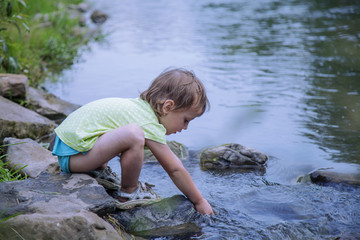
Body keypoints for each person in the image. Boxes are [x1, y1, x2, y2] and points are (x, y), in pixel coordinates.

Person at [51, 67, 214, 215]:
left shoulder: (139, 109)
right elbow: (175, 169)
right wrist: (199, 201)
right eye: (186, 120)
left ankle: (97, 170)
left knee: (126, 133)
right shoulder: (148, 122)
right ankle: (129, 193)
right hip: (74, 157)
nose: (185, 128)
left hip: (70, 151)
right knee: (134, 134)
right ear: (167, 107)